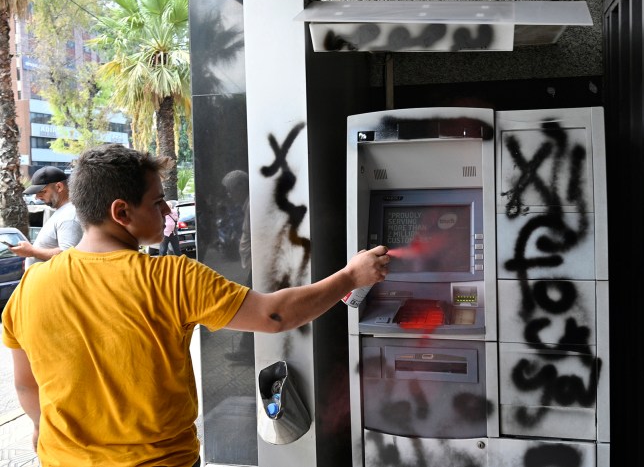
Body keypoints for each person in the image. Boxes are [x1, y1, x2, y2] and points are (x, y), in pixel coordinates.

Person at [1, 144, 389, 467]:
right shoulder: (170, 277)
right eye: (158, 202)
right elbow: (274, 315)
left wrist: (39, 427)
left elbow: (25, 383)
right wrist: (352, 277)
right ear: (122, 213)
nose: (169, 212)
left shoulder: (31, 285)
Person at [11, 166, 83, 268]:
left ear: (59, 187)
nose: (37, 197)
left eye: (42, 191)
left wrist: (32, 251)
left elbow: (68, 256)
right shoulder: (63, 211)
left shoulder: (69, 216)